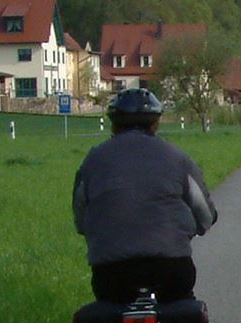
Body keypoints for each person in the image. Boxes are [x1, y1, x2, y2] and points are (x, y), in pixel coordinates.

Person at [73, 87, 217, 306]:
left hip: (111, 271)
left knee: (110, 312)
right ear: (155, 124)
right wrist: (197, 227)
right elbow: (204, 215)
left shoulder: (93, 160)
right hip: (171, 265)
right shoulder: (177, 157)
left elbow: (80, 217)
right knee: (181, 309)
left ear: (113, 124)